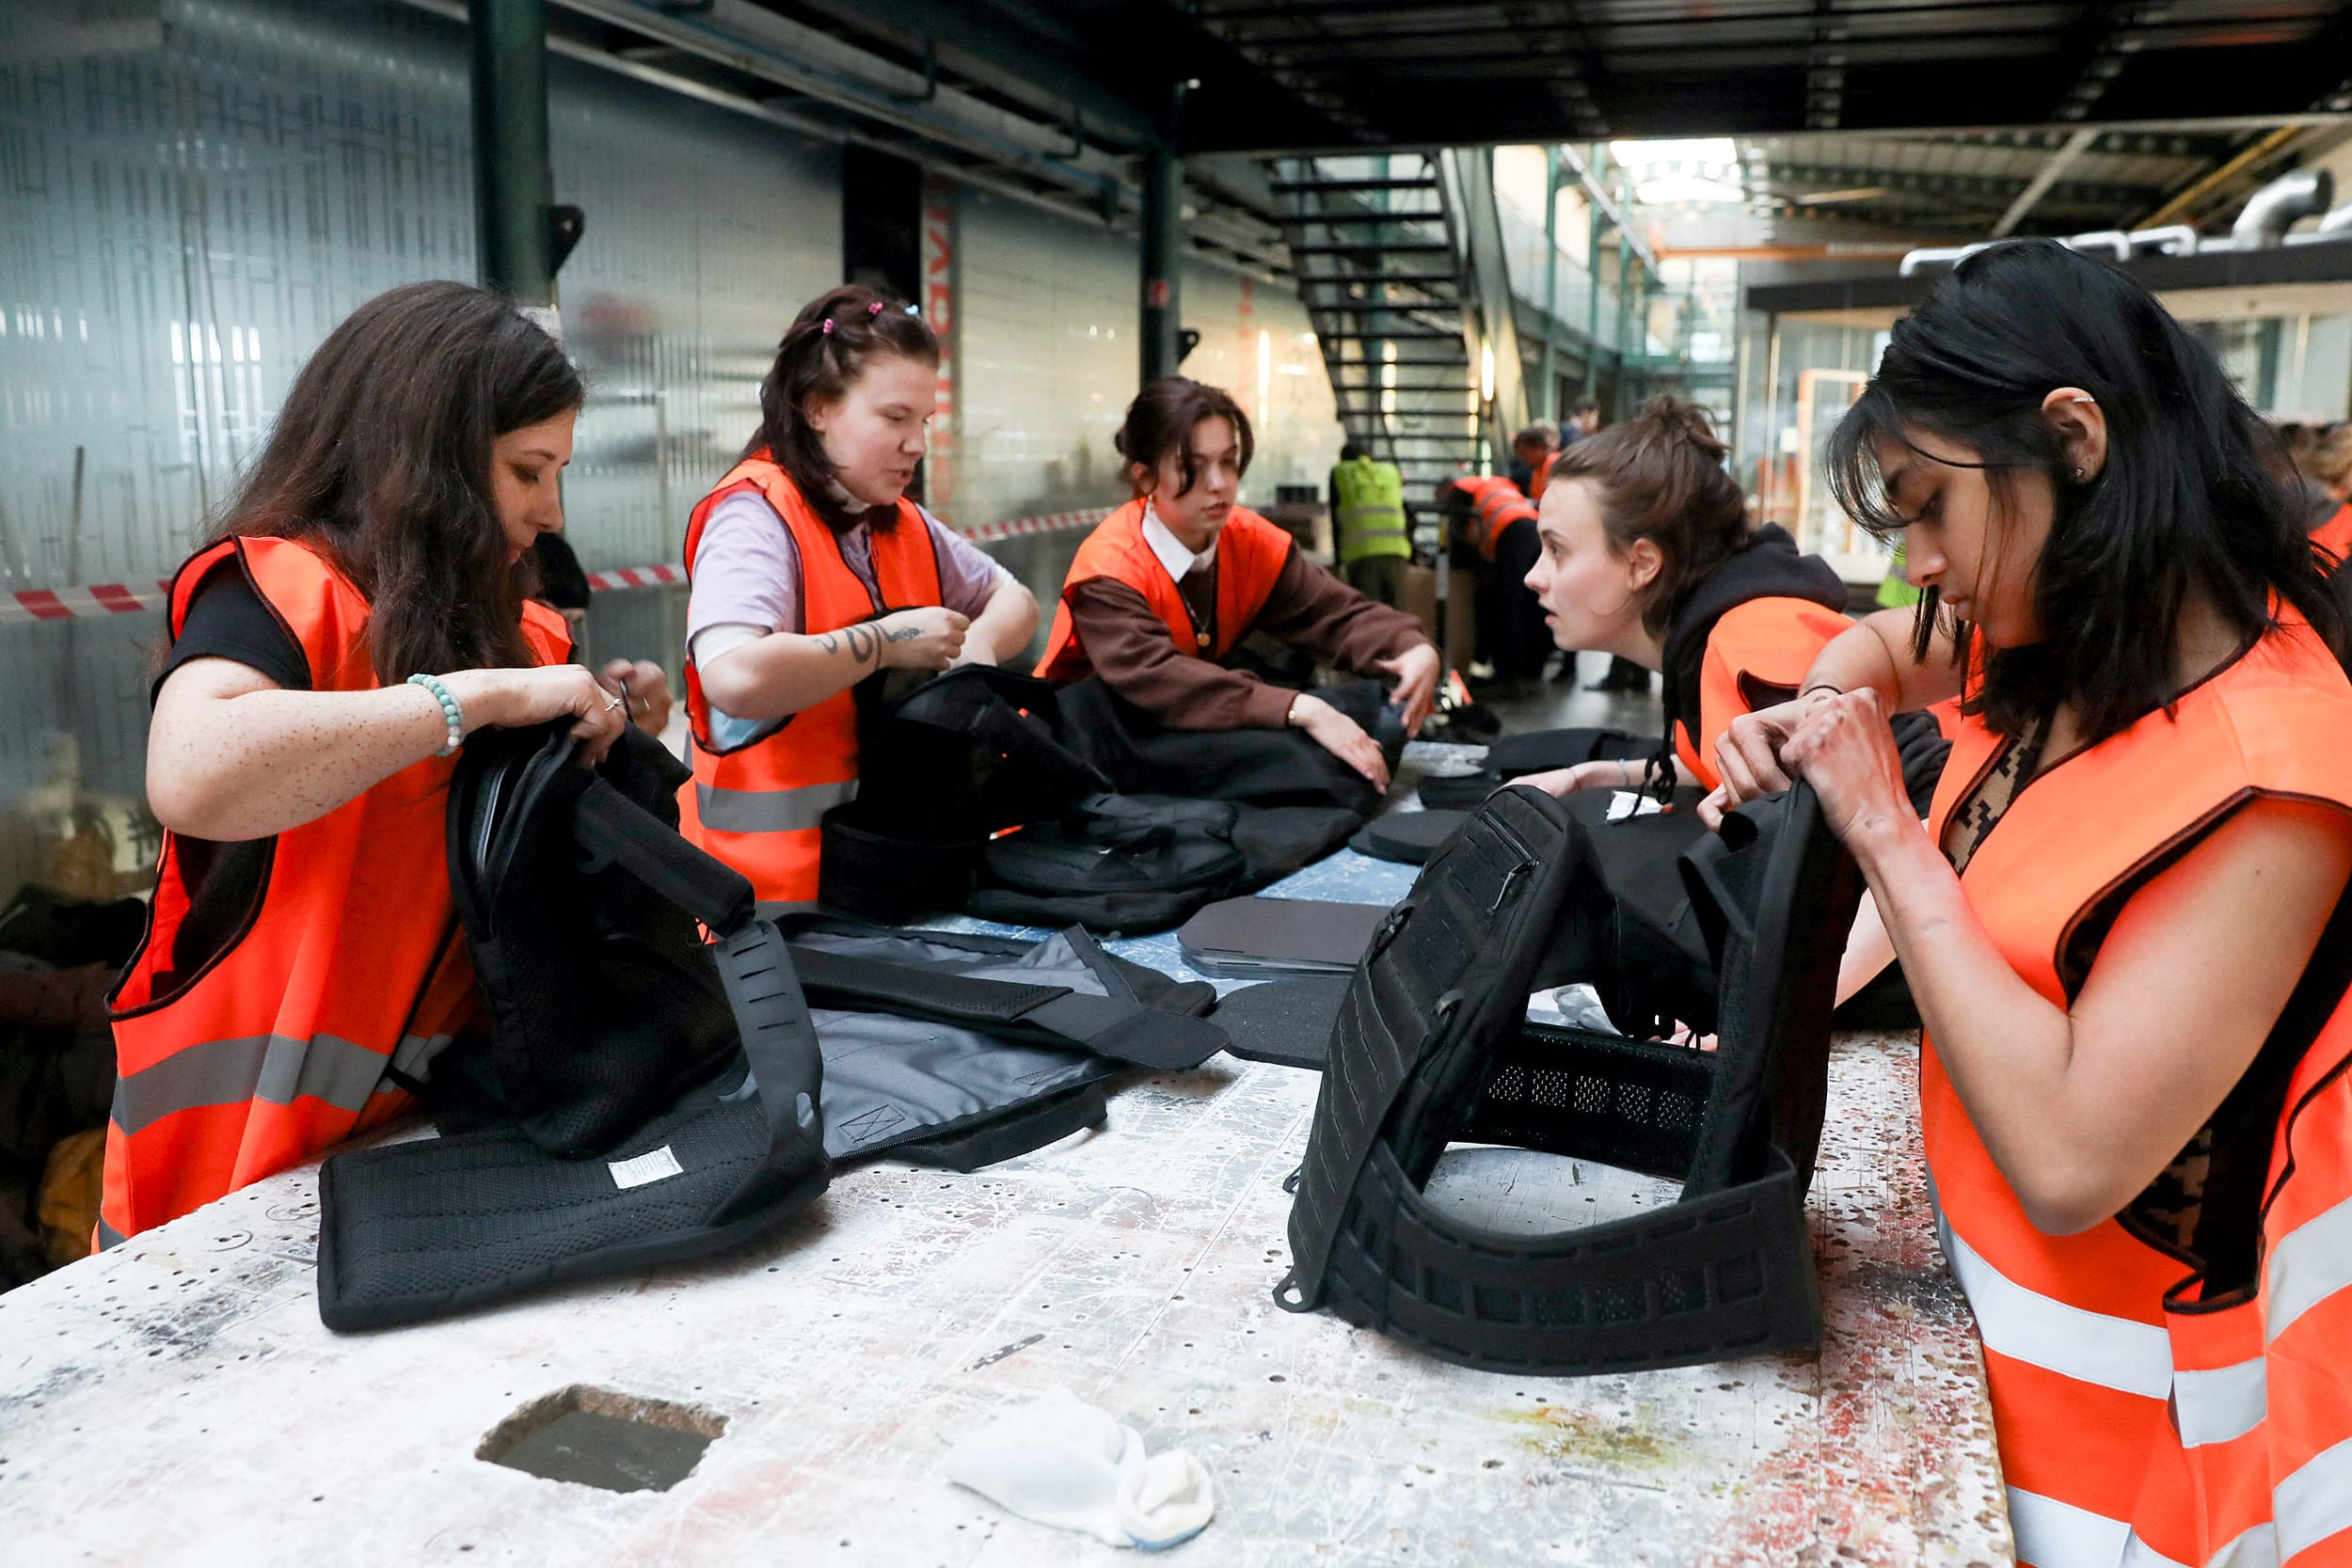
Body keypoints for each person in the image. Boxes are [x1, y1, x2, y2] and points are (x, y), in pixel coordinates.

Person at [1708, 240, 2352, 1568]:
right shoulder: (2085, 632)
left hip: (2105, 1473)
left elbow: (2068, 1157)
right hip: (1963, 1343)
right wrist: (1827, 697)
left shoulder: (2279, 771)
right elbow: (1892, 643)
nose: (1919, 563)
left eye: (1929, 508)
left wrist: (1884, 828)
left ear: (2073, 438)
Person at [105, 281, 674, 1243]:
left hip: (425, 1149)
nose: (552, 509)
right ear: (433, 458)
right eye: (528, 470)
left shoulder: (526, 633)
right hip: (219, 1197)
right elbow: (193, 773)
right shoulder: (285, 592)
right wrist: (475, 700)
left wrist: (615, 727)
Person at [677, 284, 1038, 916]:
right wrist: (886, 643)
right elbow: (733, 676)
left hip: (894, 885)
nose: (917, 444)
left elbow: (1015, 600)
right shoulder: (755, 517)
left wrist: (972, 650)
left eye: (924, 421)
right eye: (895, 418)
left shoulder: (897, 521)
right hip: (776, 919)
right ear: (817, 408)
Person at [1035, 378, 1438, 791]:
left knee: (1354, 730)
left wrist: (1409, 646)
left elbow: (1331, 612)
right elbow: (1160, 680)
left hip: (1184, 725)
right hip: (1096, 745)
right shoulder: (1110, 569)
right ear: (1145, 477)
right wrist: (1301, 709)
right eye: (1193, 466)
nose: (1219, 483)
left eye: (1228, 461)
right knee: (1304, 756)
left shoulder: (1247, 540)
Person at [1514, 397, 1849, 799]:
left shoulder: (1754, 656)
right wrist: (1588, 776)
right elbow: (1724, 769)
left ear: (1642, 564)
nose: (1533, 577)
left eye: (1557, 550)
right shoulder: (1718, 638)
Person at [1438, 471, 1550, 689]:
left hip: (1512, 534)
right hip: (1534, 530)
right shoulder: (1492, 484)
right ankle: (1532, 668)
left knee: (1507, 605)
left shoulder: (1460, 491)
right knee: (1531, 601)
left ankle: (1507, 676)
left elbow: (1459, 537)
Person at [1326, 440, 1411, 606]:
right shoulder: (1389, 473)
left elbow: (1336, 521)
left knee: (1370, 616)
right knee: (1398, 616)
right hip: (1397, 554)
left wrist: (1337, 562)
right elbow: (1409, 515)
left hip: (1362, 556)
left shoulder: (1341, 474)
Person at [1507, 421, 1559, 493]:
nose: (1523, 458)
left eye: (1524, 453)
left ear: (1539, 447)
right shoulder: (1537, 469)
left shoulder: (1552, 462)